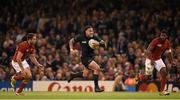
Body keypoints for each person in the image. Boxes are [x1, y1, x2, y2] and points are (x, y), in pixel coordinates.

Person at [68, 25, 106, 92]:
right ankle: (96, 88)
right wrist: (71, 49)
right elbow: (71, 41)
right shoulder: (81, 37)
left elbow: (103, 44)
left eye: (92, 31)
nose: (92, 32)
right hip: (85, 58)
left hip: (91, 57)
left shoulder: (94, 37)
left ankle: (73, 75)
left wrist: (99, 43)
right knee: (97, 68)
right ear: (85, 31)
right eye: (90, 31)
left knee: (85, 75)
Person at [137, 29, 174, 95]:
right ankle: (139, 77)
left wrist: (171, 61)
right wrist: (151, 60)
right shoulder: (155, 41)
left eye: (164, 36)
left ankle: (162, 92)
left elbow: (169, 53)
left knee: (164, 72)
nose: (162, 37)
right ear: (160, 35)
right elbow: (148, 51)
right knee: (148, 77)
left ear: (166, 36)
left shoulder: (167, 43)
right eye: (161, 35)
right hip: (150, 58)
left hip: (158, 59)